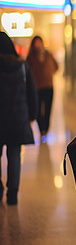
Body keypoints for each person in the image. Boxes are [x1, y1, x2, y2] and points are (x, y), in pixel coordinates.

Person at [0, 31, 38, 205]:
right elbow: (32, 93)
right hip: (17, 119)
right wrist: (32, 115)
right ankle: (13, 192)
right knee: (14, 155)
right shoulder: (22, 67)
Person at [26, 36, 58, 142]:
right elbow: (27, 71)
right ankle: (41, 130)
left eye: (39, 42)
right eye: (36, 42)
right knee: (38, 111)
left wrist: (49, 73)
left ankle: (46, 130)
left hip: (49, 86)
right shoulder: (31, 57)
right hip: (37, 88)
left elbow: (56, 66)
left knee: (48, 110)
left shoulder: (48, 54)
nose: (38, 44)